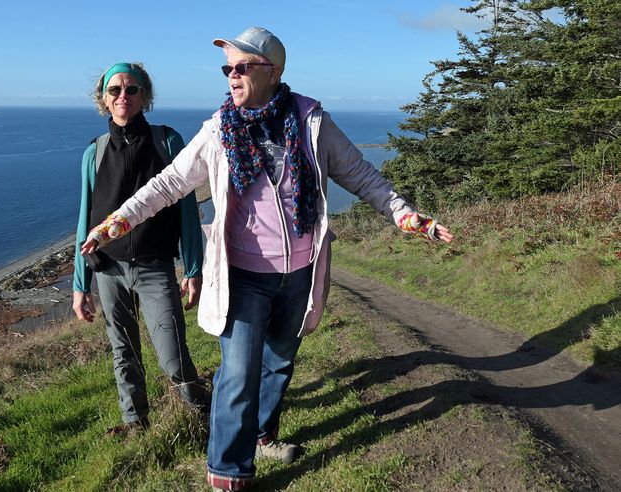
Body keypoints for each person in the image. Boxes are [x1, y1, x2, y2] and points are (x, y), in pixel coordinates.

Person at [81, 29, 454, 490]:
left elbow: (360, 175)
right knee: (238, 374)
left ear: (273, 72)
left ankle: (261, 436)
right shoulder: (220, 128)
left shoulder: (311, 121)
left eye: (241, 67)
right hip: (243, 276)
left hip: (299, 272)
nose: (232, 76)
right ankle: (227, 473)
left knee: (278, 363)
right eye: (228, 69)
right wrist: (117, 221)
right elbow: (169, 184)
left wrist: (405, 215)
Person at [72, 62, 208, 434]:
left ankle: (200, 414)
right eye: (114, 90)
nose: (123, 97)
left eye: (131, 89)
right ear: (103, 98)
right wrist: (79, 286)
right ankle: (135, 423)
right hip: (108, 270)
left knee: (173, 355)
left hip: (154, 266)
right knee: (123, 353)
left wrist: (193, 270)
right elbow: (86, 221)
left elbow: (187, 212)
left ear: (145, 96)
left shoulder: (167, 141)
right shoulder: (94, 153)